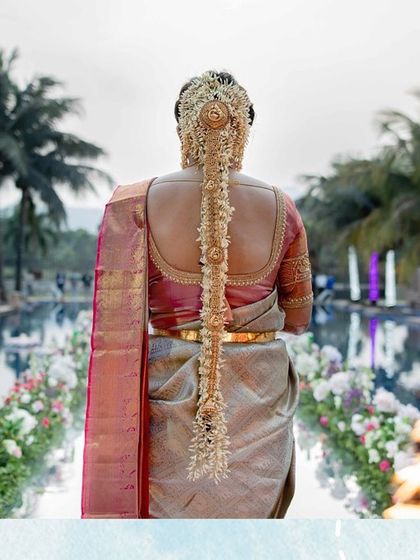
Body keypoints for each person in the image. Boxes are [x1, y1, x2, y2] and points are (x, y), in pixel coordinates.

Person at [81, 69, 313, 519]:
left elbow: (116, 319)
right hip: (258, 394)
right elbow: (298, 318)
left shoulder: (133, 204)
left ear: (181, 126)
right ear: (243, 127)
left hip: (161, 392)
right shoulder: (282, 206)